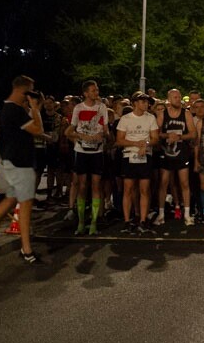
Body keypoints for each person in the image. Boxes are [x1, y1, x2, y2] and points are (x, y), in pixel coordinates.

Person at [0, 76, 43, 264]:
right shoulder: (14, 109)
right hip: (20, 163)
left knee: (12, 198)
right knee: (26, 205)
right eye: (31, 91)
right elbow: (37, 129)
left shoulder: (10, 108)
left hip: (14, 161)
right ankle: (26, 249)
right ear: (24, 91)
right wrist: (35, 108)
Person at [68, 80, 110, 233]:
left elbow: (106, 129)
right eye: (93, 90)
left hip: (97, 151)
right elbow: (71, 129)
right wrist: (81, 136)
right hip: (81, 151)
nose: (96, 93)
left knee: (96, 185)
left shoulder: (102, 107)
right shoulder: (78, 108)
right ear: (85, 93)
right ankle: (80, 222)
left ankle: (93, 222)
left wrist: (103, 135)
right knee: (82, 185)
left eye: (97, 90)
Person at [116, 93, 160, 233]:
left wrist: (145, 144)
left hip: (145, 157)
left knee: (144, 189)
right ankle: (127, 220)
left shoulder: (151, 118)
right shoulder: (125, 118)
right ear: (135, 103)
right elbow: (119, 140)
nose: (146, 104)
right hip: (129, 156)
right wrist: (135, 143)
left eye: (147, 102)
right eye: (143, 102)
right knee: (128, 189)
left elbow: (155, 138)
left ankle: (143, 219)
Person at [156, 88, 197, 226]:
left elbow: (193, 134)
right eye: (175, 97)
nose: (178, 99)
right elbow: (156, 133)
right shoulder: (162, 114)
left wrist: (178, 136)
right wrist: (168, 136)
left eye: (179, 97)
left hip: (182, 153)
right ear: (169, 99)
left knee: (184, 183)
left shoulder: (186, 114)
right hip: (166, 152)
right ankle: (161, 214)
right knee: (164, 183)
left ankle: (187, 214)